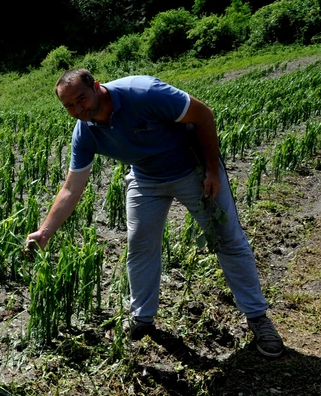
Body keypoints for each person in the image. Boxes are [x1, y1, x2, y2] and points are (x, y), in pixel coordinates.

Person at [26, 68, 283, 357]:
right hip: (146, 179)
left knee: (227, 239)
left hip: (193, 171)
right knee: (140, 245)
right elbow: (72, 188)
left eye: (81, 99)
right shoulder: (85, 132)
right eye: (69, 106)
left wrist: (212, 170)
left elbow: (203, 115)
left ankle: (258, 318)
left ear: (97, 87)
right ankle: (142, 319)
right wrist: (45, 231)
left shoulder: (144, 93)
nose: (77, 109)